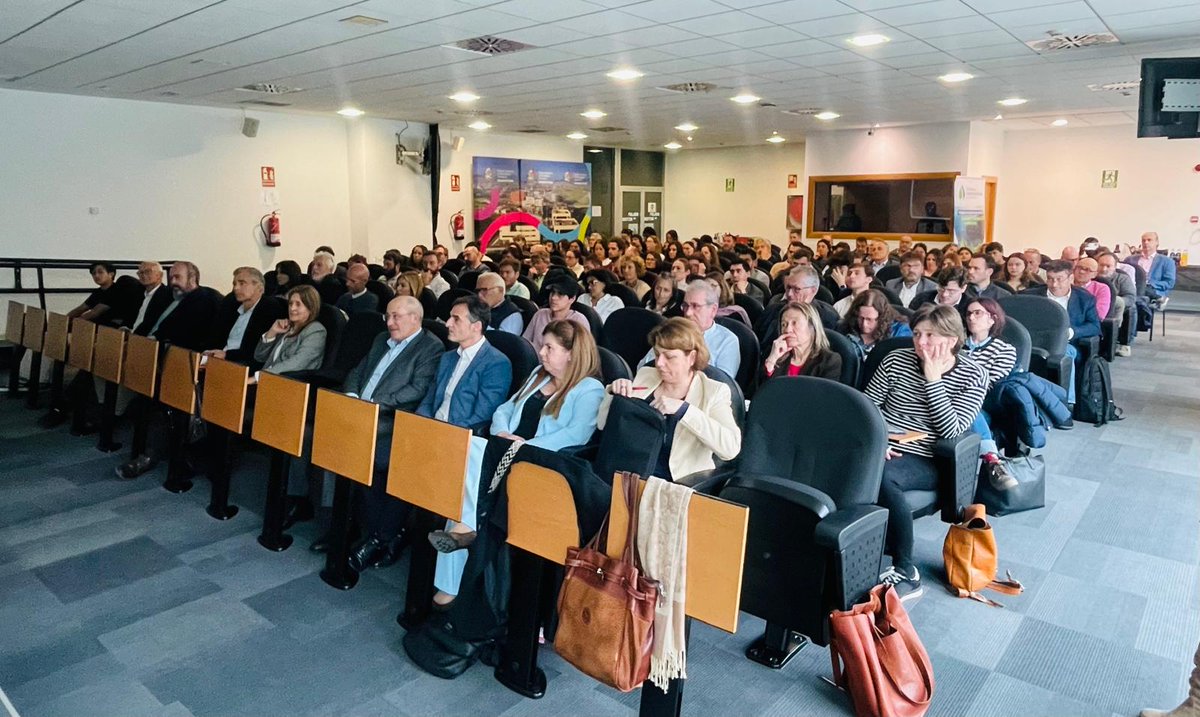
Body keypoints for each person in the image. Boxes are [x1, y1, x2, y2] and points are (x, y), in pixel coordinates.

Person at [430, 319, 605, 605]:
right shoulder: (539, 374)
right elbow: (506, 408)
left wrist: (522, 447)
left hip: (540, 464)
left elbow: (574, 436)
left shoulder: (589, 390)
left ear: (571, 353)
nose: (542, 352)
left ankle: (454, 571)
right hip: (506, 450)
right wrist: (501, 433)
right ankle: (464, 539)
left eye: (550, 347)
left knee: (471, 475)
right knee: (470, 462)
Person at [865, 304, 988, 601]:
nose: (920, 343)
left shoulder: (974, 374)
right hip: (884, 444)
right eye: (917, 334)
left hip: (931, 457)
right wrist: (879, 440)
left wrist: (934, 381)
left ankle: (906, 568)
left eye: (930, 335)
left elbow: (951, 431)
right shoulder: (897, 359)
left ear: (952, 339)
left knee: (879, 478)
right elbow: (869, 406)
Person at [336, 296, 444, 567]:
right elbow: (358, 371)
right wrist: (351, 395)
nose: (389, 321)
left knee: (369, 458)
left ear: (415, 318)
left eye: (396, 316)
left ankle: (378, 536)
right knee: (331, 445)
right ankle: (346, 526)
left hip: (394, 421)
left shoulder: (430, 347)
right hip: (361, 413)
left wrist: (373, 406)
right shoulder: (381, 339)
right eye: (388, 315)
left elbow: (416, 390)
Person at [601, 318, 741, 480]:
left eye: (669, 357)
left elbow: (730, 448)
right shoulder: (646, 375)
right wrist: (614, 394)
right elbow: (603, 425)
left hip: (671, 482)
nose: (659, 363)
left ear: (691, 357)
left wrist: (684, 410)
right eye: (657, 354)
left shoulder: (713, 392)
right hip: (627, 470)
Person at [1023, 260, 1100, 406]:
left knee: (1066, 352)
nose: (1054, 284)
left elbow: (1095, 326)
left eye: (1059, 279)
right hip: (1036, 340)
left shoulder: (1085, 299)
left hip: (1067, 343)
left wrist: (1072, 332)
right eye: (1050, 279)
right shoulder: (1030, 296)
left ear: (1071, 278)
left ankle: (1067, 402)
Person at [961, 298, 1018, 489]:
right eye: (968, 313)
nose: (971, 318)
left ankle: (992, 460)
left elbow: (989, 384)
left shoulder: (1004, 350)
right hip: (949, 398)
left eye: (978, 313)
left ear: (992, 319)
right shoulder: (955, 345)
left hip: (983, 404)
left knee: (968, 408)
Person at [644, 280, 740, 379]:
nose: (688, 313)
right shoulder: (673, 331)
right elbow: (644, 366)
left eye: (695, 306)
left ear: (713, 310)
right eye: (685, 306)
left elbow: (724, 383)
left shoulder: (727, 341)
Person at [204, 267, 284, 372]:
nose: (236, 288)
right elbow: (216, 336)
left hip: (243, 365)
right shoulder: (230, 305)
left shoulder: (269, 309)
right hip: (219, 359)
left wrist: (226, 355)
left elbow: (256, 351)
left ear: (260, 288)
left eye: (242, 283)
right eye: (234, 284)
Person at [253, 285, 327, 378]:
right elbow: (259, 357)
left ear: (311, 308)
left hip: (287, 384)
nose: (292, 308)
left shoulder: (316, 330)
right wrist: (272, 332)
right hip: (267, 379)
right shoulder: (285, 326)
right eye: (290, 303)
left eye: (298, 304)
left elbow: (297, 363)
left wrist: (258, 377)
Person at [761, 302, 842, 381]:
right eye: (783, 324)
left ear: (812, 327)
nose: (787, 330)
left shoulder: (829, 361)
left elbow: (823, 393)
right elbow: (756, 391)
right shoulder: (774, 353)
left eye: (794, 323)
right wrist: (771, 361)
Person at [842, 289, 912, 361]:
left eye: (869, 319)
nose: (864, 324)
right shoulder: (845, 326)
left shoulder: (899, 331)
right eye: (861, 318)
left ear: (881, 317)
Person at [522, 276, 589, 351]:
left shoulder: (579, 321)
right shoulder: (540, 314)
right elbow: (525, 342)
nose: (553, 297)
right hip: (534, 361)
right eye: (552, 292)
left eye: (560, 294)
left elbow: (582, 353)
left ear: (572, 299)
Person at [66, 261, 139, 327]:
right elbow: (81, 308)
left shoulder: (118, 288)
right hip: (103, 324)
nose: (96, 275)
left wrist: (72, 323)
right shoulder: (98, 292)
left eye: (100, 272)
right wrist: (64, 320)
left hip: (117, 326)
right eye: (94, 273)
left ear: (111, 274)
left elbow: (94, 313)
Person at [1097, 251, 1137, 356]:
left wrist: (1114, 301)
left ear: (1115, 267)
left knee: (1129, 307)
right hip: (1094, 306)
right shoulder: (1092, 277)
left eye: (1108, 266)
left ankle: (1121, 342)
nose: (1104, 269)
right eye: (1101, 265)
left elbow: (1131, 297)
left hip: (1114, 307)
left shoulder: (1122, 279)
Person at [130, 261, 172, 336]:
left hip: (149, 341)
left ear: (160, 275)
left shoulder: (168, 296)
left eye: (148, 272)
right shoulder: (137, 294)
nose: (143, 275)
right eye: (140, 273)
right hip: (132, 336)